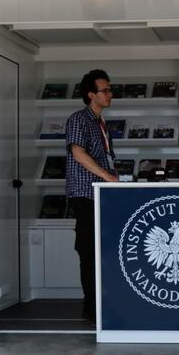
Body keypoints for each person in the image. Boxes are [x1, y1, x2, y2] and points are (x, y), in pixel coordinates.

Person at [65, 69, 119, 324]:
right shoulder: (79, 119)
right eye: (105, 90)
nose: (110, 94)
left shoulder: (101, 123)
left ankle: (102, 303)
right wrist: (106, 176)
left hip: (102, 195)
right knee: (88, 252)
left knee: (102, 251)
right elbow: (78, 153)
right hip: (86, 194)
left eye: (110, 90)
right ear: (91, 95)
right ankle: (92, 308)